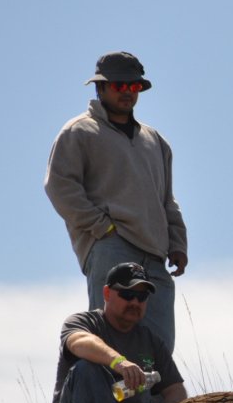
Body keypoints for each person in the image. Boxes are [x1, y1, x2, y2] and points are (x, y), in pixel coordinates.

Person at [45, 51, 188, 351]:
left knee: (159, 348)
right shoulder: (79, 131)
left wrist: (177, 243)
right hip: (113, 247)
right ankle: (114, 398)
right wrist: (102, 229)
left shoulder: (156, 141)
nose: (128, 93)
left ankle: (153, 400)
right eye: (120, 86)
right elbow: (59, 186)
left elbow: (167, 199)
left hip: (155, 255)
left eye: (134, 87)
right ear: (101, 88)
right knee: (115, 342)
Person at [47, 262, 188, 403]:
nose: (134, 302)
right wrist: (118, 362)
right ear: (106, 293)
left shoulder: (151, 340)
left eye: (141, 297)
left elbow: (175, 391)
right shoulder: (84, 322)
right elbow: (79, 342)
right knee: (87, 368)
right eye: (127, 293)